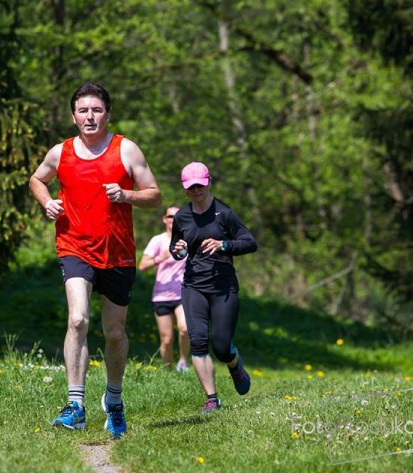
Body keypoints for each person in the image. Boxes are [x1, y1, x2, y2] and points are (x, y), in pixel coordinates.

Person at [29, 82, 161, 438]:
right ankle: (75, 406)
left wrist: (127, 195)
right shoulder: (60, 152)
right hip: (74, 246)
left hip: (118, 253)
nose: (90, 116)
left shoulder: (126, 149)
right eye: (83, 110)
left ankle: (114, 401)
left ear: (108, 115)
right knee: (78, 319)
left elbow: (154, 195)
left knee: (114, 333)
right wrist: (47, 202)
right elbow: (37, 179)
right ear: (74, 116)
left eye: (97, 110)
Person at [169, 161, 257, 414]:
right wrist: (178, 250)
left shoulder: (224, 213)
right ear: (185, 189)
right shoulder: (182, 217)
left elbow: (250, 242)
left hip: (223, 287)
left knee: (221, 346)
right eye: (191, 187)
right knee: (197, 341)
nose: (196, 190)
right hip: (193, 285)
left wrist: (224, 245)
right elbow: (176, 247)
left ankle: (234, 364)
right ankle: (211, 398)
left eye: (200, 185)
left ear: (208, 184)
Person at [138, 206, 190, 373]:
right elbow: (142, 266)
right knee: (166, 340)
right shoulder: (158, 240)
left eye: (177, 216)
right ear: (164, 219)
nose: (173, 220)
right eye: (170, 216)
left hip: (183, 293)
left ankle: (183, 362)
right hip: (161, 295)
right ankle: (168, 372)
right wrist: (163, 256)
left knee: (185, 328)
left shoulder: (187, 239)